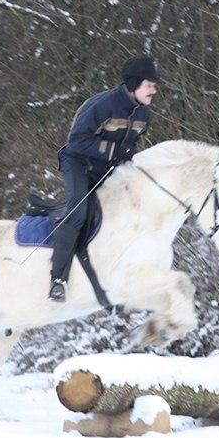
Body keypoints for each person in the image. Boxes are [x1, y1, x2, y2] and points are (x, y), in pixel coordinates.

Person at [49, 55, 159, 302]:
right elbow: (76, 141)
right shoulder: (103, 105)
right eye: (149, 84)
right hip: (78, 164)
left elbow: (131, 146)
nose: (154, 89)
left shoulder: (145, 113)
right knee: (78, 212)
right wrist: (112, 151)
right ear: (133, 84)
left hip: (107, 168)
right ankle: (58, 278)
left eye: (154, 84)